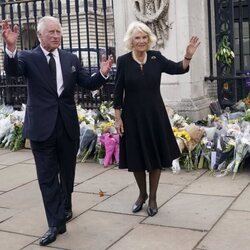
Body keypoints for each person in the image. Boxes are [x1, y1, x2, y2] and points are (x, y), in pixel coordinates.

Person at [2, 16, 113, 246]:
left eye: (58, 32)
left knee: (67, 172)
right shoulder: (28, 57)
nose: (55, 36)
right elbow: (13, 70)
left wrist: (102, 74)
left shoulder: (70, 58)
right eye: (51, 32)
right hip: (41, 127)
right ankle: (54, 223)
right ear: (40, 35)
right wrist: (11, 48)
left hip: (66, 125)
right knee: (47, 176)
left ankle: (66, 204)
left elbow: (87, 82)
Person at [113, 21, 200, 217]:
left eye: (144, 37)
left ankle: (152, 197)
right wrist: (118, 119)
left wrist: (188, 55)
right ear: (131, 40)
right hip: (132, 116)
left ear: (149, 39)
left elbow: (179, 68)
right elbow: (118, 92)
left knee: (154, 157)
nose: (141, 41)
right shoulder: (124, 61)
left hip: (154, 115)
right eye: (137, 38)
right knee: (136, 157)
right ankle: (142, 194)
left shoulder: (156, 58)